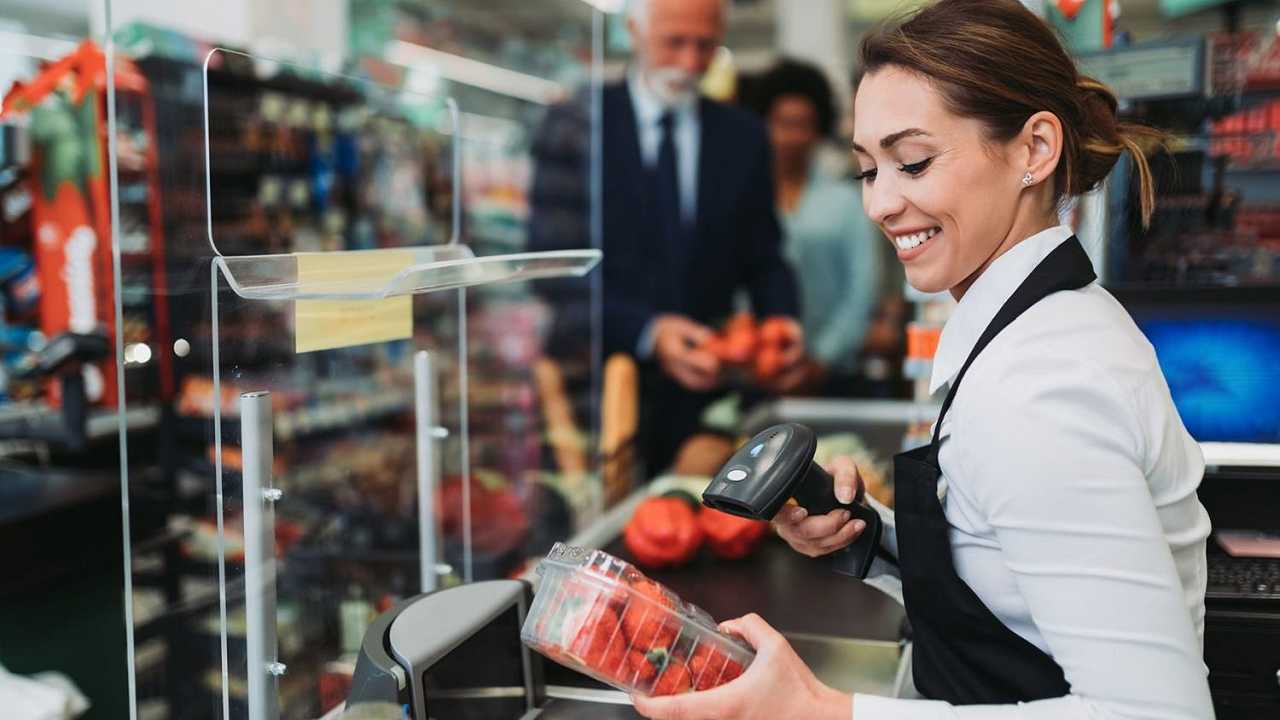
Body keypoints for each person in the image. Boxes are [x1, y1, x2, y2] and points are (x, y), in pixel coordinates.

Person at [633, 1, 1213, 718]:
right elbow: (1016, 583)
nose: (879, 203)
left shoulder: (1039, 391)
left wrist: (824, 711)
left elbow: (1156, 714)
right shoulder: (1028, 329)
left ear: (1034, 149)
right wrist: (870, 539)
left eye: (912, 162)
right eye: (868, 170)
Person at [529, 0, 804, 475]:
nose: (690, 62)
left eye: (705, 46)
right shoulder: (577, 124)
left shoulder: (743, 137)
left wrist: (782, 322)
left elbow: (765, 258)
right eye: (674, 42)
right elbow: (552, 267)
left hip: (707, 401)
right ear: (635, 32)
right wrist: (649, 333)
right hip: (595, 396)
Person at [747, 59, 883, 393]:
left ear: (819, 127)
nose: (791, 136)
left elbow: (861, 292)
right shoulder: (744, 201)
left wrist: (820, 359)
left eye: (802, 124)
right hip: (754, 375)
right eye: (781, 122)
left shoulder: (845, 201)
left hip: (834, 377)